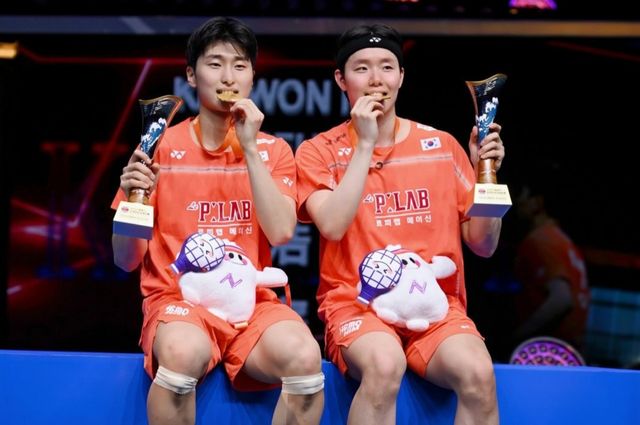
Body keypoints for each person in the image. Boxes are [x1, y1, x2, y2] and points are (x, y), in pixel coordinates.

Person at [111, 17, 324, 425]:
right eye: (215, 64)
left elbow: (281, 231)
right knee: (182, 355)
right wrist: (134, 201)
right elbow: (126, 259)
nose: (228, 77)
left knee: (305, 360)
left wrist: (249, 149)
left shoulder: (273, 151)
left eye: (240, 65)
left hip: (251, 306)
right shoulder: (159, 148)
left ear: (252, 77)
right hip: (178, 303)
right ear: (191, 75)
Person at [295, 23, 503, 424]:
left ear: (402, 77)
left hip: (436, 307)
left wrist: (486, 174)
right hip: (357, 306)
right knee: (384, 364)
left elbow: (484, 244)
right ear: (341, 79)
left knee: (478, 374)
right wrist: (365, 144)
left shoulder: (441, 147)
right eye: (362, 68)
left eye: (387, 67)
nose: (376, 79)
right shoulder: (318, 151)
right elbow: (332, 226)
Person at [510, 179, 590, 353]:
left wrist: (517, 336)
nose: (516, 203)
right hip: (570, 348)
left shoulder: (541, 240)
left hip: (546, 349)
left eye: (521, 196)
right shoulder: (563, 240)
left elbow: (562, 299)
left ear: (537, 202)